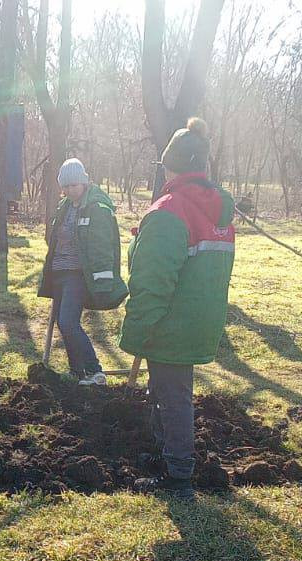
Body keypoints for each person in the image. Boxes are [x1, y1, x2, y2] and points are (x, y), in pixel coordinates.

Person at [119, 117, 235, 496]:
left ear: (170, 166)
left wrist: (136, 332)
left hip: (170, 321)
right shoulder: (215, 210)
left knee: (173, 396)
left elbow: (152, 283)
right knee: (168, 390)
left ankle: (178, 474)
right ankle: (166, 452)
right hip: (200, 319)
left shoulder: (169, 210)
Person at [37, 158, 129, 385]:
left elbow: (102, 244)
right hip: (59, 271)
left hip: (77, 274)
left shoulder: (96, 207)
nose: (69, 191)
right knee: (62, 322)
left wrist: (103, 278)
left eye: (73, 186)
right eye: (65, 187)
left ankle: (94, 370)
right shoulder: (65, 206)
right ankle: (76, 371)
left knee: (68, 322)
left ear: (84, 183)